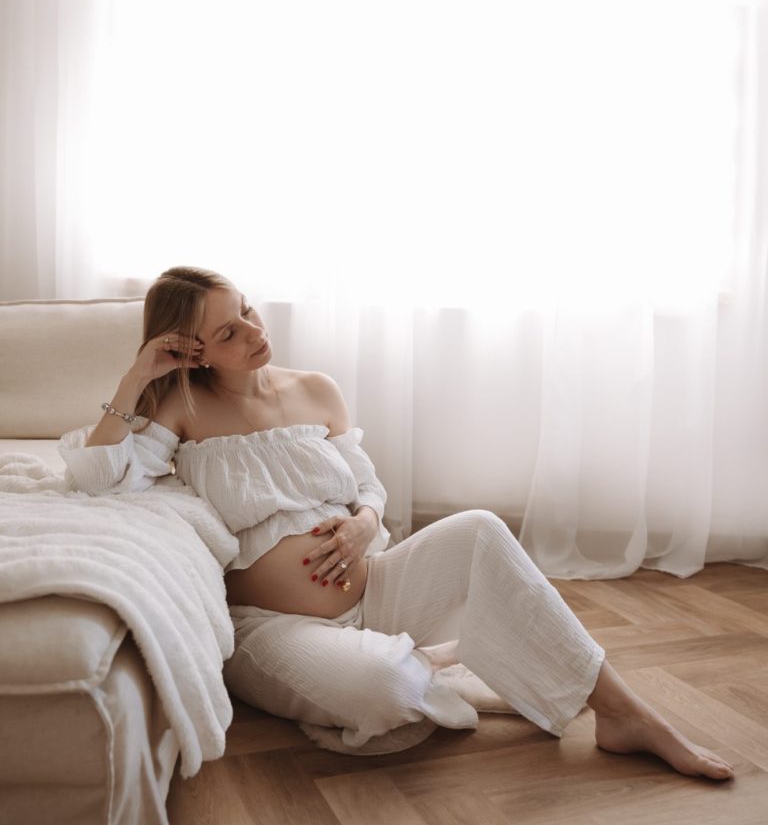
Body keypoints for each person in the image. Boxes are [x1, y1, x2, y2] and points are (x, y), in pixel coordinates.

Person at [61, 265, 734, 779]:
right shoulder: (180, 411)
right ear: (193, 351)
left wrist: (365, 521)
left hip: (376, 586)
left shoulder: (315, 389)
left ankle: (622, 712)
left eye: (247, 311)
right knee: (386, 691)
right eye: (228, 332)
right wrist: (137, 376)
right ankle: (441, 656)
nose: (254, 332)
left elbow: (368, 482)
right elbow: (97, 479)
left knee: (479, 527)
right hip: (273, 627)